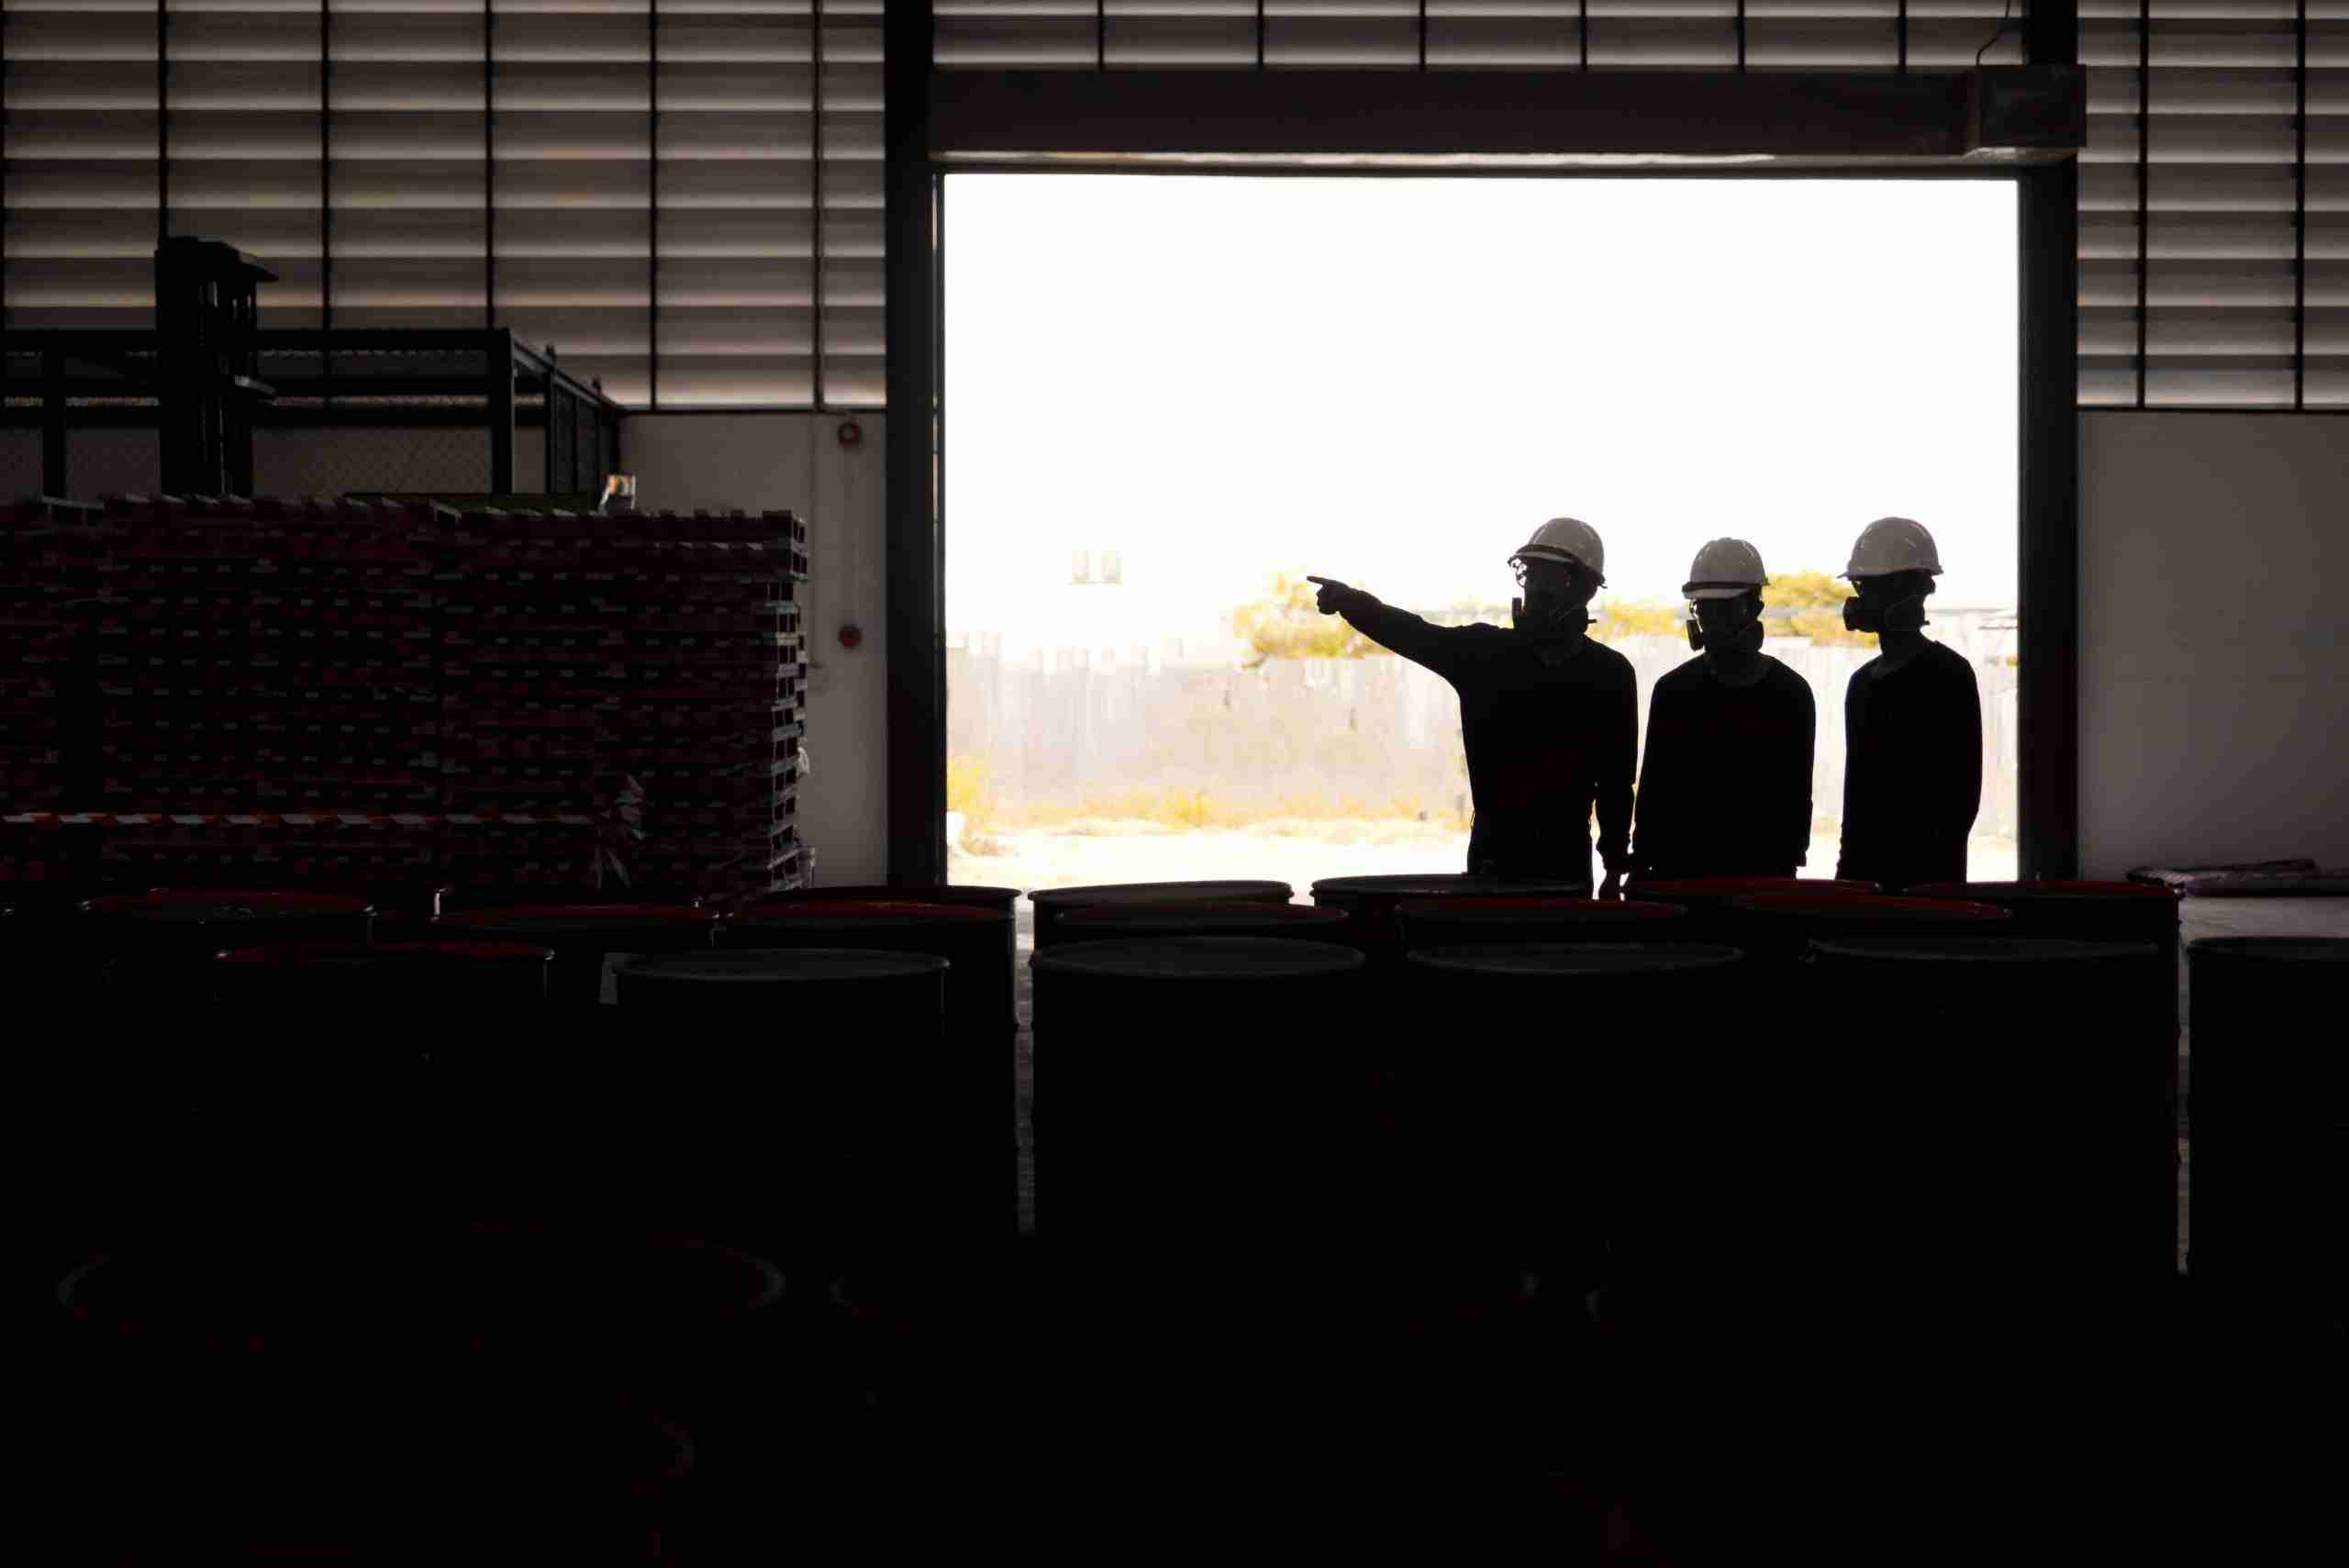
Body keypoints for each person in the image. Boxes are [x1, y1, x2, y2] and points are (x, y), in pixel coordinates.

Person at [1308, 517, 1637, 895]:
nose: (1533, 587)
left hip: (1562, 861)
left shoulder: (1609, 675)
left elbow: (1615, 783)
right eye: (1530, 574)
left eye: (1550, 577)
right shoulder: (1485, 654)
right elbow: (1414, 634)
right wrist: (1351, 602)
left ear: (1584, 590)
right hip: (1495, 855)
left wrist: (1614, 865)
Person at [1629, 539, 1816, 882]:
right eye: (1704, 608)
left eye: (1725, 609)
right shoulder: (1673, 691)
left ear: (1754, 608)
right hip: (1680, 877)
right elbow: (1655, 794)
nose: (1713, 622)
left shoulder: (1790, 694)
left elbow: (1794, 803)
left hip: (1762, 883)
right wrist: (1641, 864)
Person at [1832, 517, 1982, 890]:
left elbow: (1960, 800)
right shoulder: (1861, 685)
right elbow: (1858, 801)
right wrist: (1848, 877)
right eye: (1860, 586)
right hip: (1866, 882)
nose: (1861, 599)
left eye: (1872, 587)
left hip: (1931, 884)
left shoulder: (1950, 675)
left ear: (1911, 591)